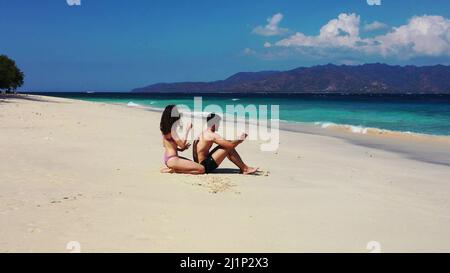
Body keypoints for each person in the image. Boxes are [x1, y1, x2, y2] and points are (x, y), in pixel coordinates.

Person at [193, 113, 258, 175]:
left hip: (198, 165)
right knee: (228, 147)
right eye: (218, 123)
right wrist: (240, 139)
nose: (218, 125)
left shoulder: (202, 133)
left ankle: (244, 168)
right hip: (204, 166)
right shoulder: (212, 135)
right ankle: (245, 169)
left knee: (226, 145)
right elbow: (230, 145)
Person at [160, 105, 205, 174]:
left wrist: (182, 149)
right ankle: (175, 170)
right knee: (201, 169)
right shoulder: (173, 132)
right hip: (173, 159)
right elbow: (182, 145)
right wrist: (187, 130)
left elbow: (167, 146)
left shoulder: (164, 131)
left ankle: (174, 168)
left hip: (168, 158)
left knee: (193, 164)